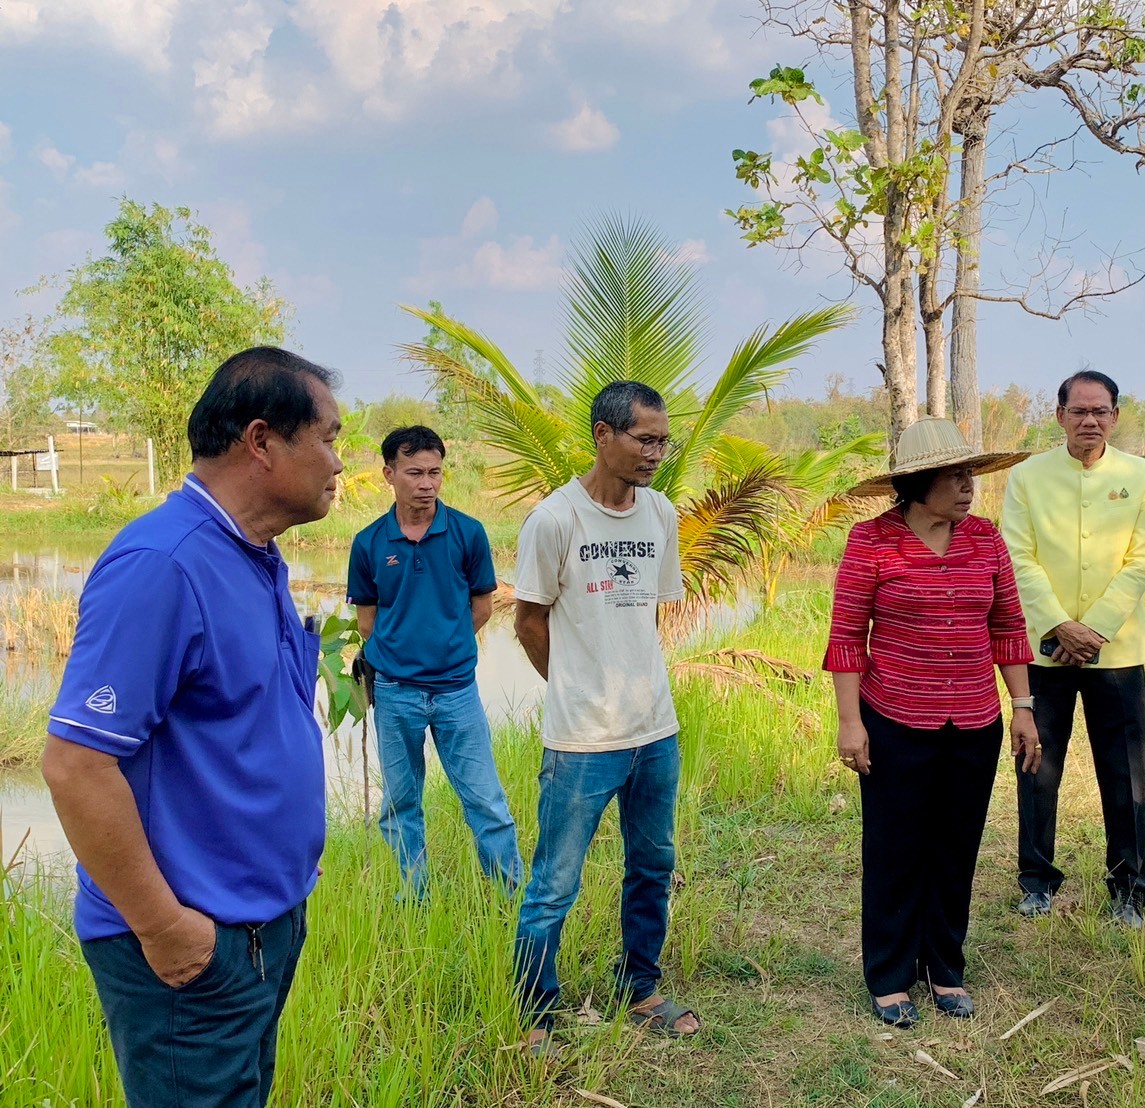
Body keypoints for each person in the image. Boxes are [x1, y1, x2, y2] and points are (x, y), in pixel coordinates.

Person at [42, 347, 342, 1107]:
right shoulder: (163, 564)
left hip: (261, 929)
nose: (340, 462)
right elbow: (76, 764)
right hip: (187, 950)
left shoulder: (256, 556)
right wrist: (165, 927)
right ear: (262, 441)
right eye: (329, 438)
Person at [824, 417, 1037, 1028]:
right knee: (895, 846)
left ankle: (944, 966)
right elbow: (845, 639)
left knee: (956, 844)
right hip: (893, 717)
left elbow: (1008, 629)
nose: (969, 486)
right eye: (955, 475)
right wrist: (850, 723)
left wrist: (1021, 708)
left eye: (972, 473)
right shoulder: (872, 542)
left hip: (974, 720)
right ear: (918, 482)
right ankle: (890, 975)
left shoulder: (986, 541)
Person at [511, 381, 697, 1051]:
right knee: (554, 884)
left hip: (654, 729)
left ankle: (639, 987)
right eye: (644, 439)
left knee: (651, 865)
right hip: (582, 740)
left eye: (662, 440)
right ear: (601, 435)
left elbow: (645, 612)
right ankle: (536, 1016)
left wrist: (629, 682)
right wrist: (573, 686)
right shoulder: (555, 519)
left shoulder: (660, 514)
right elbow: (528, 622)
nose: (656, 453)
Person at [1000, 370, 1145, 928]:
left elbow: (1140, 561)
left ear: (1116, 416)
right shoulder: (1026, 478)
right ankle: (1037, 880)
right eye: (1079, 411)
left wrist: (1093, 627)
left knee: (1124, 773)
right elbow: (1018, 557)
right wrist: (1058, 626)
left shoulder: (1141, 476)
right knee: (1036, 766)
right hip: (1044, 652)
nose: (1089, 421)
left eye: (1101, 411)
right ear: (1060, 414)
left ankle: (1129, 887)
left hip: (1115, 651)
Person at [346, 425, 520, 897]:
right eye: (415, 472)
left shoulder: (468, 533)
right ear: (389, 474)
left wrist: (446, 646)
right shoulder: (368, 543)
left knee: (486, 800)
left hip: (456, 691)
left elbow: (482, 607)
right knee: (400, 804)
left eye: (435, 473)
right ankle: (414, 898)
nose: (427, 483)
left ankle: (510, 898)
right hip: (394, 693)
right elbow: (368, 621)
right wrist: (401, 655)